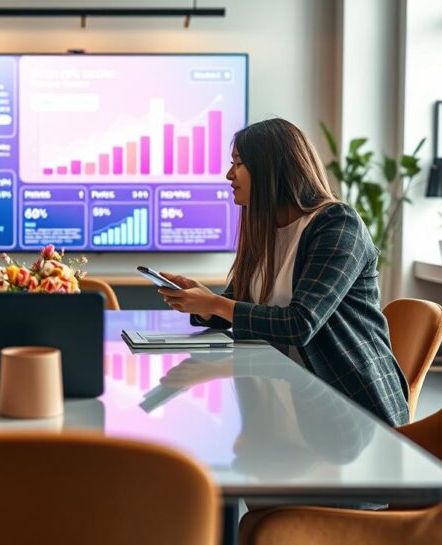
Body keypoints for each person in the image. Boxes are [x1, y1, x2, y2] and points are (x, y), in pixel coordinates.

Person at [158, 118, 409, 426]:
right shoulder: (265, 231)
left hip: (348, 404)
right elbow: (242, 303)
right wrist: (205, 301)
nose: (229, 175)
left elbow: (300, 323)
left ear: (271, 169)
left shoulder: (338, 224)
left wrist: (215, 305)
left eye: (239, 163)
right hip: (287, 391)